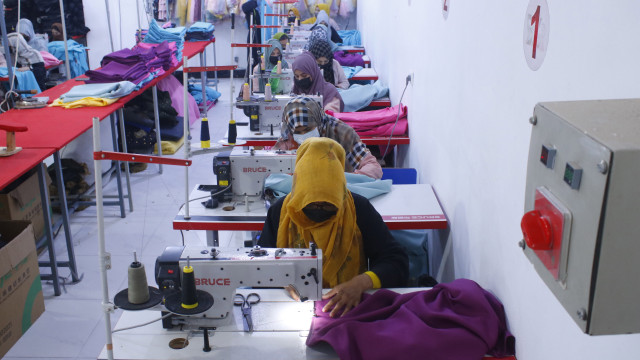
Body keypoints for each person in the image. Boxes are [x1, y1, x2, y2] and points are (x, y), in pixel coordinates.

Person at [259, 137, 408, 318]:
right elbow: (261, 266)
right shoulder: (280, 213)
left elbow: (396, 262)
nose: (319, 210)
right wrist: (282, 281)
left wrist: (362, 282)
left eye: (328, 205)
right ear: (299, 193)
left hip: (349, 304)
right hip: (293, 303)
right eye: (312, 204)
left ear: (340, 192)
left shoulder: (358, 209)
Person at [273, 96, 382, 179]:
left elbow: (374, 169)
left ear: (318, 122)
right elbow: (272, 168)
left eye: (308, 130)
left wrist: (341, 179)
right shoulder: (288, 138)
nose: (303, 136)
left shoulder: (342, 132)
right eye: (298, 132)